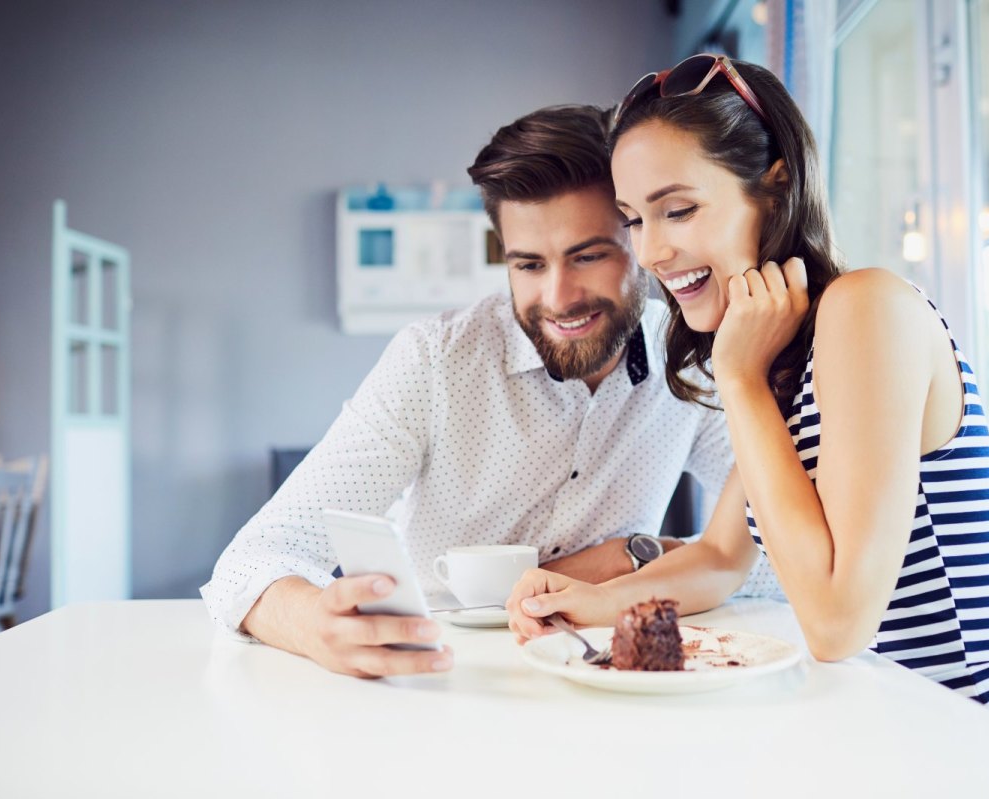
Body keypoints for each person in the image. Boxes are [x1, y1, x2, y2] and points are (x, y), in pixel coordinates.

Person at [505, 56, 989, 754]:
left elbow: (839, 622)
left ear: (775, 189)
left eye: (680, 209)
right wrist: (590, 603)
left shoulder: (865, 309)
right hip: (889, 734)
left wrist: (741, 381)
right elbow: (723, 554)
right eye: (634, 219)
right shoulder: (789, 351)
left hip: (985, 747)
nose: (653, 250)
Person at [200, 104, 781, 679]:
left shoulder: (695, 366)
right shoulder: (435, 361)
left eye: (588, 256)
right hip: (442, 679)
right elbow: (248, 562)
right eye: (529, 265)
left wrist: (637, 555)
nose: (559, 297)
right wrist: (311, 624)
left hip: (601, 688)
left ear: (640, 239)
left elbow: (779, 558)